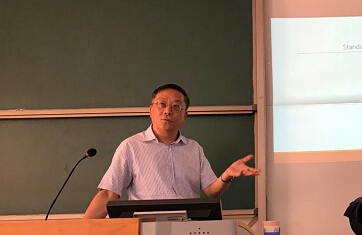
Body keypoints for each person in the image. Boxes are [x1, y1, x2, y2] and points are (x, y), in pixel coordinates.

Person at [82, 83, 260, 219]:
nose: (167, 111)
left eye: (176, 107)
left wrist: (227, 175)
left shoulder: (194, 148)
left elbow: (212, 192)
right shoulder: (131, 146)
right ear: (151, 110)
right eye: (161, 104)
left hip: (188, 229)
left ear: (185, 115)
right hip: (145, 230)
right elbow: (108, 194)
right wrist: (81, 230)